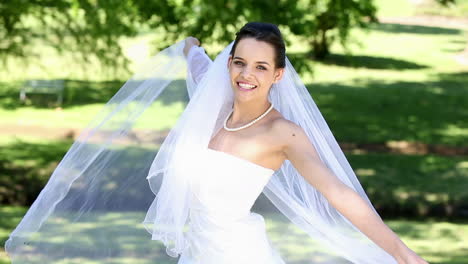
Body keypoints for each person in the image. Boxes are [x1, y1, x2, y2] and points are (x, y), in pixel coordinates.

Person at [4, 22, 428, 264]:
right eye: (240, 62)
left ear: (277, 75)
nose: (247, 75)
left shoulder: (282, 133)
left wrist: (402, 253)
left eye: (261, 67)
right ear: (229, 63)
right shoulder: (212, 99)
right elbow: (195, 59)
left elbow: (339, 194)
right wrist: (191, 46)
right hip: (196, 254)